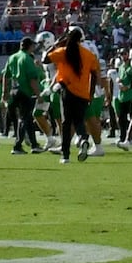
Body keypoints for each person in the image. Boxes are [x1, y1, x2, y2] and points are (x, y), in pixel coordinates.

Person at [47, 22, 101, 161]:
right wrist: (90, 92)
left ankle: (65, 155)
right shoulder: (88, 54)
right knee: (78, 121)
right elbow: (94, 75)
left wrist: (57, 43)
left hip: (67, 90)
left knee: (66, 123)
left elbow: (45, 59)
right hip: (83, 93)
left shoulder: (64, 51)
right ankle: (83, 138)